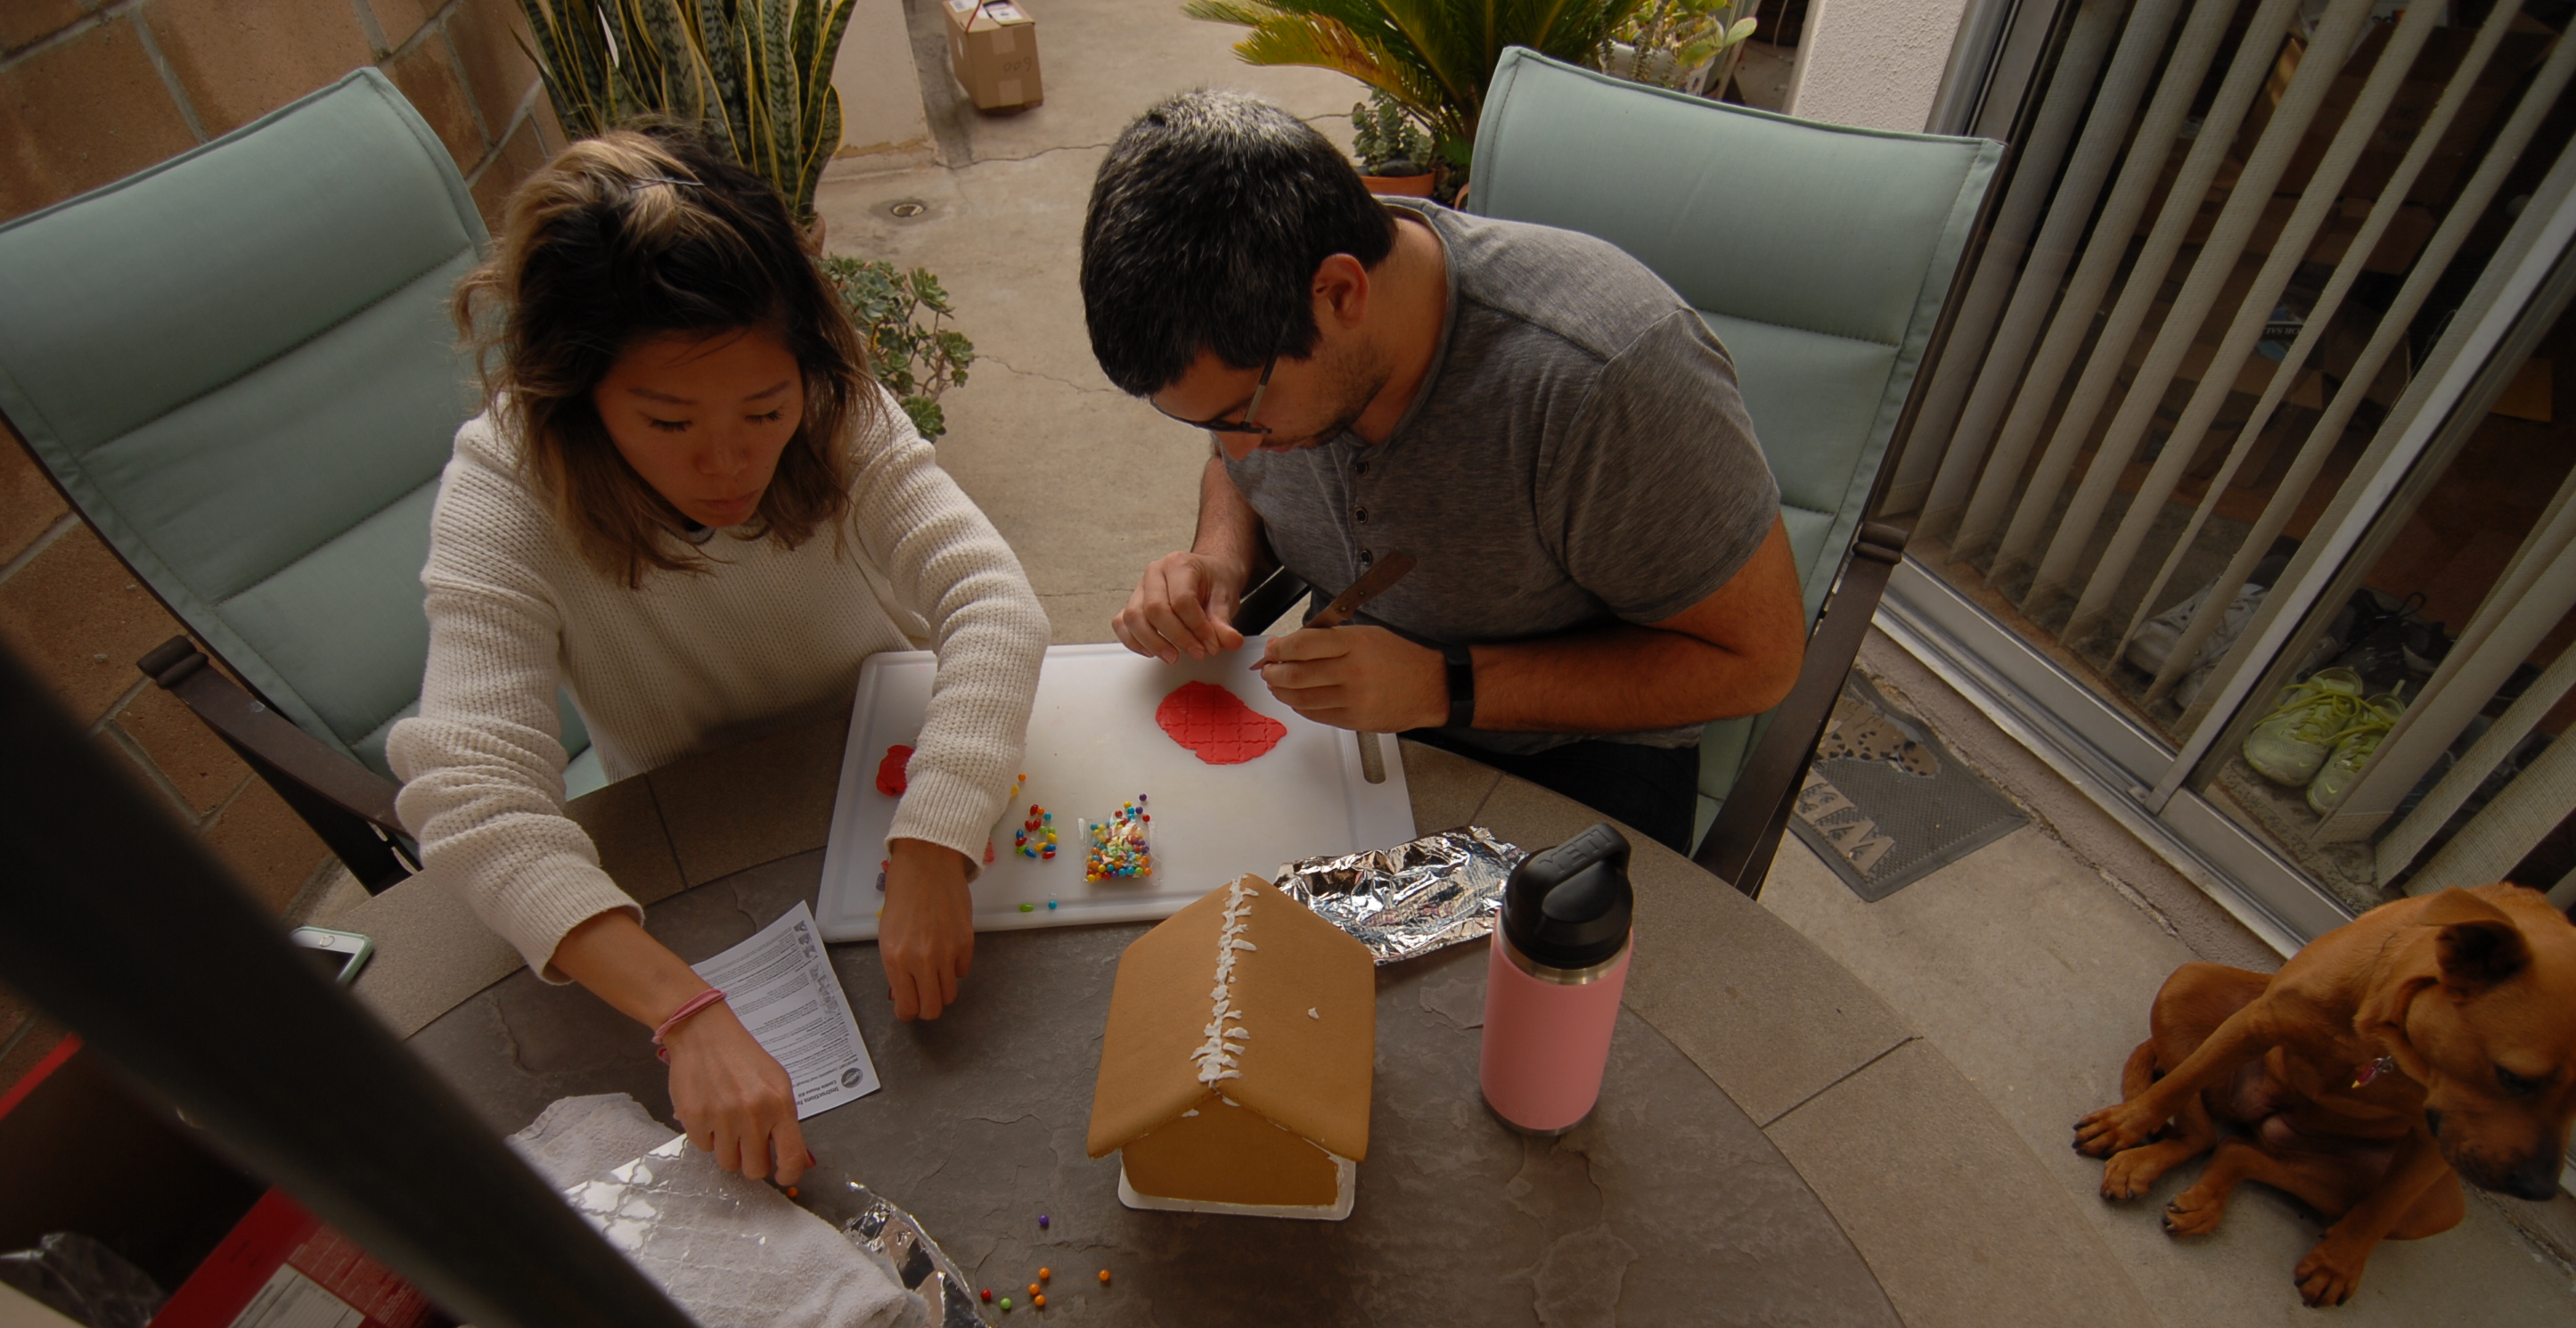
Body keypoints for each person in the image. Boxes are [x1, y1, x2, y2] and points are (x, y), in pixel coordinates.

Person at [390, 129, 1047, 1185]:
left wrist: (933, 837)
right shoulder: (504, 487)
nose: (730, 459)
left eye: (764, 409)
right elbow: (470, 796)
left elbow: (991, 601)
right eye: (667, 421)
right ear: (576, 398)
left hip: (887, 787)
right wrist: (683, 1010)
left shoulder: (835, 404)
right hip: (690, 842)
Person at [1079, 92, 1804, 854]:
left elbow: (1757, 663)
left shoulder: (1606, 382)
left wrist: (1444, 685)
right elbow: (1236, 469)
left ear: (1340, 293)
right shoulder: (1276, 355)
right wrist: (1220, 557)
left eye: (1243, 416)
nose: (1240, 453)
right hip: (1357, 721)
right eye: (1207, 424)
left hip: (1571, 756)